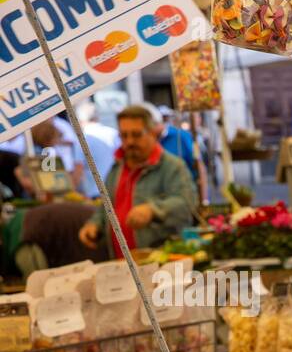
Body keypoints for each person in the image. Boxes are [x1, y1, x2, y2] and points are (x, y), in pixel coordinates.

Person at [77, 105, 197, 257]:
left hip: (164, 261)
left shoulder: (173, 166)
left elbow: (187, 203)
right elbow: (106, 207)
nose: (130, 141)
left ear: (152, 133)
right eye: (124, 135)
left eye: (136, 134)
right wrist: (94, 224)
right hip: (122, 263)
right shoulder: (116, 168)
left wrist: (153, 210)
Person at [156, 105, 201, 187]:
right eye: (163, 117)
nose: (164, 120)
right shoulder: (151, 140)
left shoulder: (183, 136)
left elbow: (199, 164)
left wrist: (205, 198)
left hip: (185, 187)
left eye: (166, 117)